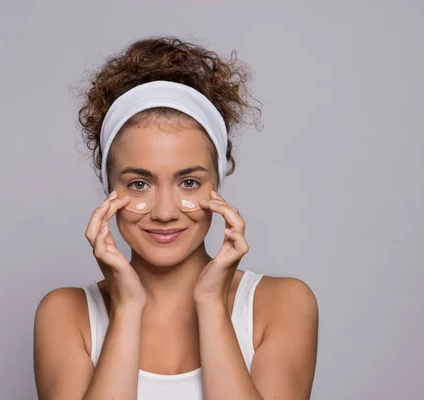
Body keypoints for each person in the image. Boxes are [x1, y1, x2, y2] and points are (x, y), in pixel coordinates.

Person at [33, 36, 318, 400]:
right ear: (109, 190)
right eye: (139, 183)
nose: (165, 213)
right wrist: (127, 308)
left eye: (188, 182)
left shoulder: (281, 304)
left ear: (218, 183)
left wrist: (212, 305)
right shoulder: (67, 315)